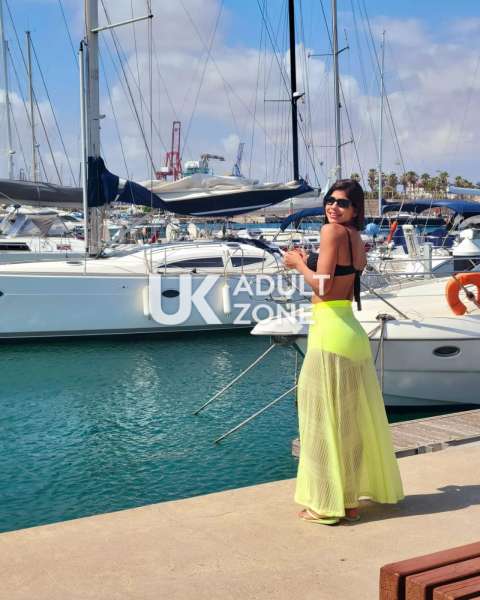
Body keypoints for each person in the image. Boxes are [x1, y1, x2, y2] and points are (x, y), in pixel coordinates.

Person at [283, 179, 404, 525]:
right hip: (351, 330)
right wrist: (311, 260)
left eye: (342, 203)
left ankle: (325, 506)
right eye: (330, 201)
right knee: (349, 424)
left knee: (320, 421)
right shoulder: (355, 238)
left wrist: (297, 264)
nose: (333, 207)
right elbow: (341, 276)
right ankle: (349, 501)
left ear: (355, 209)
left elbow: (322, 285)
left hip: (330, 332)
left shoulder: (331, 231)